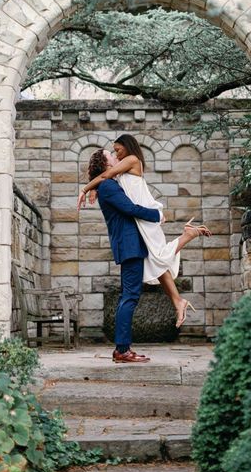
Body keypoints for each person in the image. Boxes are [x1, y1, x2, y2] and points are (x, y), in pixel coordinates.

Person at [78, 134, 212, 329]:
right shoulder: (120, 169)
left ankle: (187, 236)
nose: (117, 154)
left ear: (127, 146)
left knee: (157, 256)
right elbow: (105, 175)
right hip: (140, 218)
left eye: (118, 150)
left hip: (146, 214)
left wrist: (85, 189)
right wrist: (94, 187)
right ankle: (177, 301)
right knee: (154, 260)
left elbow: (105, 175)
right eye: (113, 152)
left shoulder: (132, 160)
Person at [83, 149, 164, 363]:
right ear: (104, 163)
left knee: (127, 296)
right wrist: (157, 215)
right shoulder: (108, 186)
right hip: (129, 245)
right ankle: (122, 350)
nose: (115, 156)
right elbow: (129, 208)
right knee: (130, 297)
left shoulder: (108, 183)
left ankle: (122, 348)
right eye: (111, 154)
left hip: (128, 245)